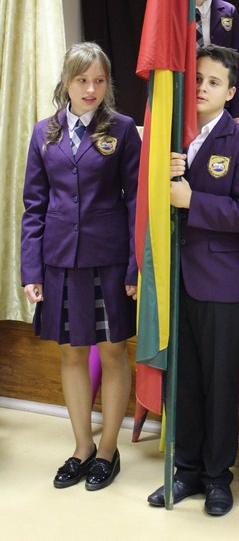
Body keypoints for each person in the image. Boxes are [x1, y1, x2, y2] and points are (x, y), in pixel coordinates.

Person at [147, 45, 239, 515]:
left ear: (230, 92)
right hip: (173, 280)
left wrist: (192, 200)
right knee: (183, 381)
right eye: (196, 79)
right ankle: (187, 470)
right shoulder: (171, 137)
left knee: (219, 385)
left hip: (220, 283)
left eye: (213, 82)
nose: (201, 88)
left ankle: (219, 477)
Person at [21, 42, 141, 490]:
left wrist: (135, 266)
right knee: (70, 353)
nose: (91, 89)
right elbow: (34, 207)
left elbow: (137, 204)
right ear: (67, 82)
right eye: (82, 80)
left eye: (99, 80)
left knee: (112, 351)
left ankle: (108, 450)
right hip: (59, 261)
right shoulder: (44, 132)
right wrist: (31, 270)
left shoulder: (122, 129)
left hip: (109, 259)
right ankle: (82, 447)